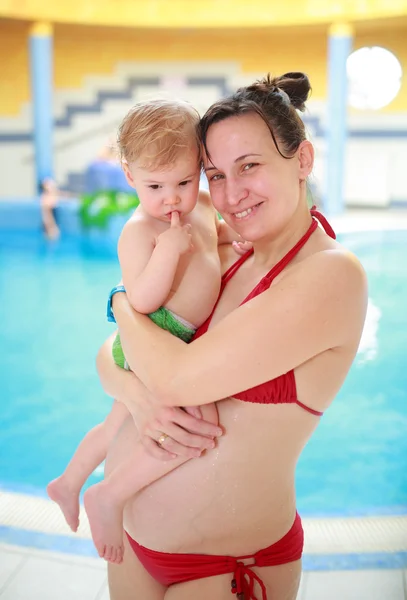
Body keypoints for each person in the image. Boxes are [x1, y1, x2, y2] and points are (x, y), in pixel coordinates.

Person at [96, 72, 368, 600]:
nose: (230, 193)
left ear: (303, 161)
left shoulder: (331, 275)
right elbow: (112, 359)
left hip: (227, 565)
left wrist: (118, 302)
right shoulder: (226, 254)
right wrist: (135, 393)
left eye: (250, 166)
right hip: (133, 544)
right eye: (215, 174)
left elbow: (173, 377)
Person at [47, 98, 248, 565]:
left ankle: (69, 482)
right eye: (155, 186)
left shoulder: (196, 206)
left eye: (183, 181)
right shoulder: (139, 233)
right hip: (154, 337)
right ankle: (109, 495)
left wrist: (224, 240)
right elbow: (140, 301)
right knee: (194, 426)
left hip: (178, 340)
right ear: (129, 176)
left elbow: (211, 236)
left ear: (199, 167)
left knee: (117, 423)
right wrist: (168, 252)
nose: (171, 198)